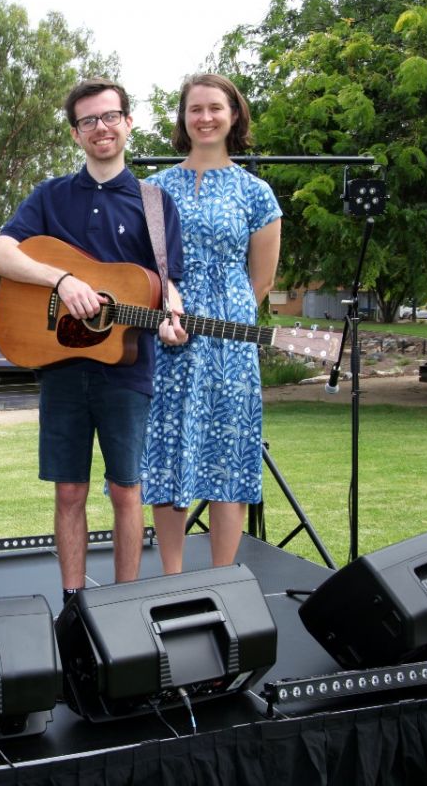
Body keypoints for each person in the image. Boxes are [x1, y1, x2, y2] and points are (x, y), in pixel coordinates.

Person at [0, 78, 186, 606]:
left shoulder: (156, 204)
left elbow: (169, 287)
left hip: (127, 369)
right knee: (69, 490)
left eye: (110, 117)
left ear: (129, 122)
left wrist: (172, 318)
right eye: (89, 121)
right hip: (62, 369)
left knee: (126, 490)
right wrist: (60, 280)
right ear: (76, 133)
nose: (102, 128)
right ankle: (73, 604)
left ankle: (123, 607)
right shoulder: (50, 196)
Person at [141, 74, 282, 573]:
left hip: (230, 343)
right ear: (182, 118)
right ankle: (172, 579)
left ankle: (224, 579)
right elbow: (146, 269)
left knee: (230, 457)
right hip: (167, 337)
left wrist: (224, 322)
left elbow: (260, 282)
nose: (205, 117)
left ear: (234, 115)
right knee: (169, 450)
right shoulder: (153, 189)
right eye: (195, 109)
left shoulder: (257, 192)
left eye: (215, 108)